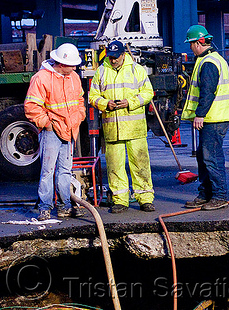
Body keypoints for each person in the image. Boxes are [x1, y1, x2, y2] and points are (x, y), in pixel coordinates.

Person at [89, 40, 155, 213]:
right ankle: (120, 200)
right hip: (113, 130)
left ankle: (145, 199)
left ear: (123, 54)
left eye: (116, 57)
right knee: (115, 166)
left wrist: (129, 103)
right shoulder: (101, 71)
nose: (113, 60)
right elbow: (93, 96)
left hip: (134, 129)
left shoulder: (136, 69)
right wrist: (106, 104)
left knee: (140, 164)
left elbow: (148, 93)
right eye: (110, 57)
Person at [24, 43, 86, 221]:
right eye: (71, 64)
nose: (74, 67)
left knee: (65, 171)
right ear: (60, 63)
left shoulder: (73, 77)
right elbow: (31, 107)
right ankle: (45, 207)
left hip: (69, 130)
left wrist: (79, 116)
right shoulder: (41, 78)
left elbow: (80, 100)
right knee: (47, 171)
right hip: (52, 131)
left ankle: (65, 206)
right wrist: (47, 124)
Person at [182, 25, 229, 211]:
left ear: (199, 42)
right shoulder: (210, 59)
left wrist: (200, 115)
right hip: (214, 117)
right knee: (205, 157)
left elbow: (207, 91)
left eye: (191, 44)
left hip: (213, 118)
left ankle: (219, 196)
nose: (190, 48)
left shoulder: (209, 62)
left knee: (212, 158)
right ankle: (206, 193)